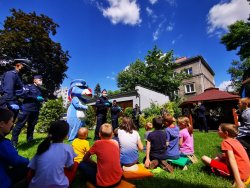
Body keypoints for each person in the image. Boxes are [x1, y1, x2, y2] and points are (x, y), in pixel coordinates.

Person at [28, 120, 76, 188]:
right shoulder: (67, 148)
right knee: (75, 164)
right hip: (59, 185)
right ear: (66, 135)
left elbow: (32, 168)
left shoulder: (42, 147)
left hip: (35, 185)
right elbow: (70, 167)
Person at [202, 123, 250, 188]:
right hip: (246, 172)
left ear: (226, 133)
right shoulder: (236, 141)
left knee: (204, 158)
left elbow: (232, 160)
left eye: (219, 130)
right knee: (219, 155)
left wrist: (238, 180)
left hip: (240, 175)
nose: (217, 131)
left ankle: (212, 169)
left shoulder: (226, 142)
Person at [11, 75, 44, 147]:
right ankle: (14, 141)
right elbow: (21, 94)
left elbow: (39, 99)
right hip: (26, 109)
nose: (41, 81)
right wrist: (35, 97)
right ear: (34, 80)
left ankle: (30, 140)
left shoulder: (39, 89)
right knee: (20, 125)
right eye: (39, 79)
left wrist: (41, 99)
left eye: (41, 80)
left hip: (35, 110)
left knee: (32, 126)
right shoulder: (28, 86)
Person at [0, 108, 29, 188]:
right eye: (11, 121)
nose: (13, 124)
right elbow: (16, 160)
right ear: (2, 124)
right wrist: (29, 160)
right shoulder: (3, 143)